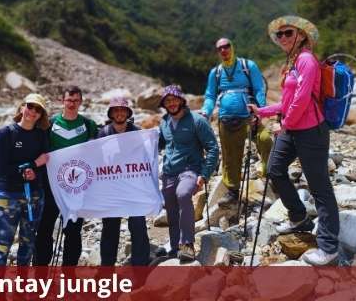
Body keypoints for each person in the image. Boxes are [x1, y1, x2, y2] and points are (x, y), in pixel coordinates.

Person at [248, 15, 340, 266]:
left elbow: (301, 101)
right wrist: (262, 111)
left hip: (310, 130)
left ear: (301, 35)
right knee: (274, 170)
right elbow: (289, 102)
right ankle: (299, 216)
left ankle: (329, 247)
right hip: (292, 128)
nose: (283, 38)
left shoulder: (307, 60)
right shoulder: (293, 62)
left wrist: (285, 124)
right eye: (279, 35)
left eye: (288, 33)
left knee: (320, 188)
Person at [200, 38, 273, 209]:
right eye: (220, 48)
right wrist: (206, 112)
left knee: (265, 139)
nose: (224, 50)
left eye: (226, 46)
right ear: (217, 52)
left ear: (232, 47)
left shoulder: (249, 66)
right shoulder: (216, 72)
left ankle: (270, 172)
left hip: (249, 116)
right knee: (230, 156)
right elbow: (210, 95)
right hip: (226, 118)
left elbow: (258, 89)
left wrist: (260, 111)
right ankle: (232, 190)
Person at [34, 86, 98, 266]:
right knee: (45, 229)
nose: (72, 104)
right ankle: (40, 272)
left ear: (81, 102)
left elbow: (95, 152)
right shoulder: (49, 124)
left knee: (73, 231)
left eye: (76, 100)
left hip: (77, 187)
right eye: (69, 100)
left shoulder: (88, 125)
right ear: (62, 101)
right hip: (51, 187)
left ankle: (69, 273)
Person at [158, 84, 219, 262]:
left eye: (174, 99)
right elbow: (159, 144)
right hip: (169, 172)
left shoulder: (197, 121)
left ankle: (188, 244)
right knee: (170, 207)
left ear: (181, 100)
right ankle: (175, 245)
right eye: (167, 101)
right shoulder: (164, 122)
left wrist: (205, 174)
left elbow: (213, 148)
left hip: (190, 169)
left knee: (183, 194)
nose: (171, 103)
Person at [0, 94, 51, 266]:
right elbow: (1, 169)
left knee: (28, 244)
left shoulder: (41, 135)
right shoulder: (6, 133)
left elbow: (45, 162)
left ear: (41, 115)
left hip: (34, 196)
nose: (33, 112)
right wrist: (30, 167)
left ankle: (22, 290)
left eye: (38, 109)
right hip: (7, 196)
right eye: (30, 106)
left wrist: (35, 172)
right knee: (3, 245)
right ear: (22, 107)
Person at [96, 97, 150, 266]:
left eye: (123, 110)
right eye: (116, 110)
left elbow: (146, 160)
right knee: (110, 229)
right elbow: (97, 160)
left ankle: (140, 267)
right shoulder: (103, 133)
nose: (119, 113)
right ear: (111, 113)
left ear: (128, 113)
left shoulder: (138, 133)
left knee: (138, 225)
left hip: (134, 188)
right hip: (112, 188)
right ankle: (106, 268)